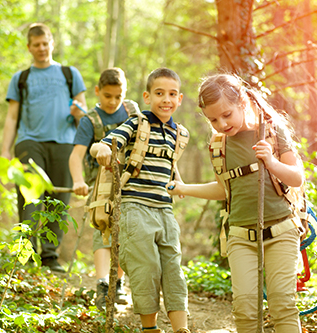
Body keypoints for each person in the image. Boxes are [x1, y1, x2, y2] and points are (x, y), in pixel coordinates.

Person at [167, 73, 305, 333]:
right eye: (213, 119)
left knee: (283, 305)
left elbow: (296, 177)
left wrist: (271, 163)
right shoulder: (219, 145)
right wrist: (185, 188)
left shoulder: (272, 130)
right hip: (241, 235)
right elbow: (225, 189)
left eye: (227, 114)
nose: (221, 123)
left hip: (281, 231)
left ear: (241, 101)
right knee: (244, 308)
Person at [90, 68, 190, 333]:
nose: (165, 99)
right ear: (147, 97)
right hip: (135, 207)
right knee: (146, 266)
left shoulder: (179, 133)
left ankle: (182, 328)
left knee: (173, 267)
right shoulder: (137, 123)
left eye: (171, 94)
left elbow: (170, 162)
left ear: (179, 99)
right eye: (159, 93)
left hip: (165, 210)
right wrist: (101, 150)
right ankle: (150, 328)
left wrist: (178, 183)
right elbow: (107, 142)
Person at [1, 23, 87, 273]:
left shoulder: (70, 74)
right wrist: (5, 149)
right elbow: (11, 117)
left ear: (52, 43)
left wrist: (77, 111)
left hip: (64, 144)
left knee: (58, 200)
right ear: (29, 48)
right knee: (30, 198)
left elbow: (83, 112)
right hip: (29, 142)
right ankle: (25, 255)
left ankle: (50, 256)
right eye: (36, 45)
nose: (41, 48)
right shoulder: (21, 78)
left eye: (45, 43)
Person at [69, 67, 137, 310]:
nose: (113, 101)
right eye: (107, 96)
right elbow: (76, 156)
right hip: (100, 185)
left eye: (118, 96)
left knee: (123, 232)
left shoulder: (132, 111)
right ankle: (101, 283)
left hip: (130, 181)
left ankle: (116, 282)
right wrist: (78, 181)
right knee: (103, 227)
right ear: (97, 91)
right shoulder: (90, 120)